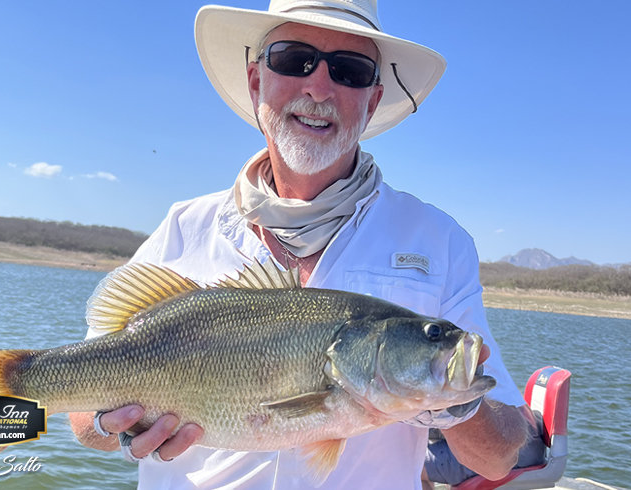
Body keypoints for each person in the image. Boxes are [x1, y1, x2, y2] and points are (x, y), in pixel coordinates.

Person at [70, 1, 530, 488]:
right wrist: (112, 426)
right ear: (256, 82)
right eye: (293, 60)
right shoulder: (184, 226)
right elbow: (82, 414)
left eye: (350, 70)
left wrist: (455, 403)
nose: (319, 87)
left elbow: (499, 458)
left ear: (371, 102)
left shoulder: (439, 241)